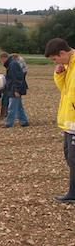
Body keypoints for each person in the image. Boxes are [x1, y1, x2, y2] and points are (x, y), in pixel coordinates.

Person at [44, 38, 75, 203]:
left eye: (55, 59)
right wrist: (59, 73)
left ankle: (73, 194)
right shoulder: (69, 66)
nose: (55, 62)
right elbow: (65, 90)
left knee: (74, 159)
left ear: (62, 53)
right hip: (68, 122)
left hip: (74, 121)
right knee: (69, 156)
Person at [0, 51, 29, 128]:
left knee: (12, 107)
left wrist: (16, 90)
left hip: (15, 89)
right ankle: (24, 122)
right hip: (13, 88)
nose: (1, 62)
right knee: (19, 107)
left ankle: (9, 124)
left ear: (4, 58)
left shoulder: (13, 65)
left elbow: (17, 78)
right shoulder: (12, 64)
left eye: (1, 60)